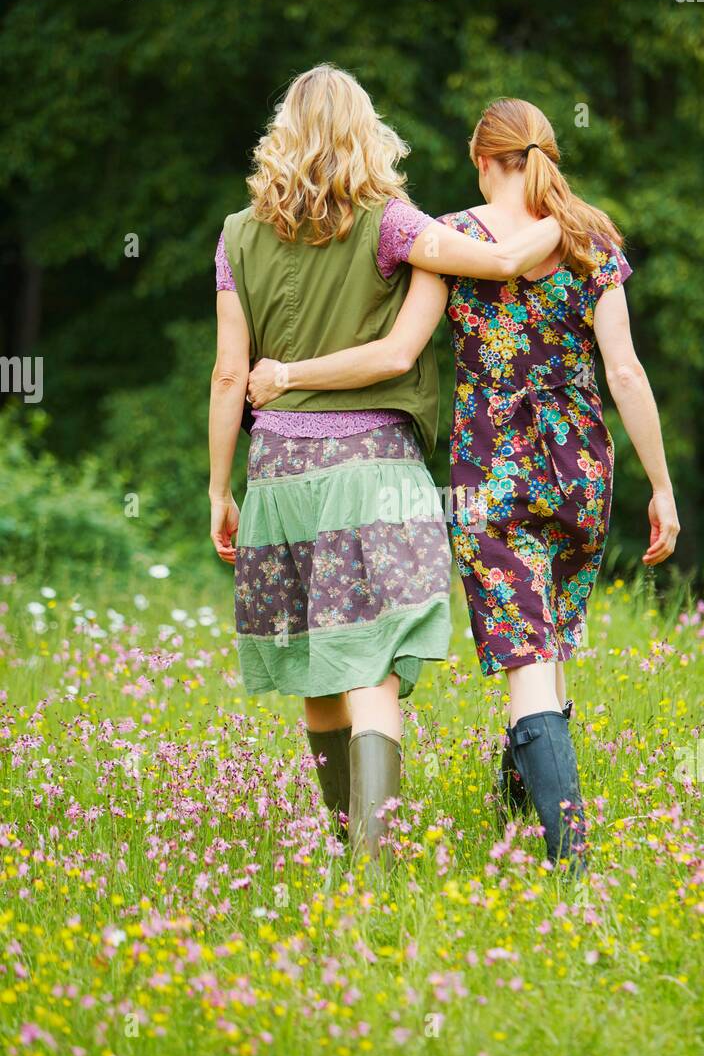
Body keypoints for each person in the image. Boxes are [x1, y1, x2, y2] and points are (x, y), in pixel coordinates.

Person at [246, 97, 680, 877]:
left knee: (527, 657)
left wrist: (287, 377)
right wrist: (663, 486)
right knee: (547, 639)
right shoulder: (591, 236)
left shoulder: (453, 239)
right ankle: (527, 788)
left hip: (491, 474)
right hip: (581, 469)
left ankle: (573, 865)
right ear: (545, 155)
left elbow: (401, 348)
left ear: (483, 159)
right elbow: (624, 370)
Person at [210, 70, 561, 863]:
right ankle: (374, 866)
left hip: (275, 474)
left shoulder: (235, 234)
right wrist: (567, 221)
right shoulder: (393, 224)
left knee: (317, 670)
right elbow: (502, 262)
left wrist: (217, 489)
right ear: (369, 134)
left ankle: (348, 846)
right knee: (372, 667)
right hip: (373, 471)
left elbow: (230, 375)